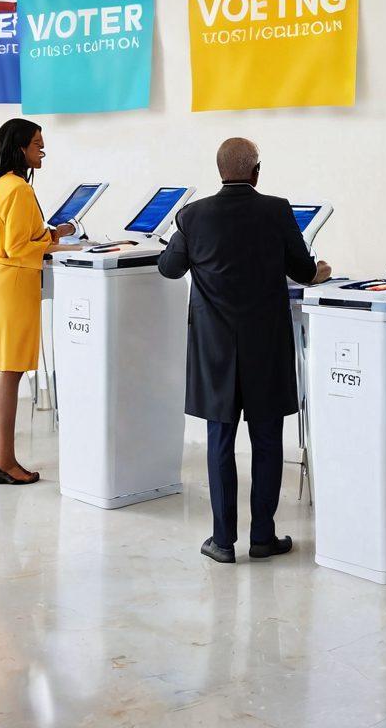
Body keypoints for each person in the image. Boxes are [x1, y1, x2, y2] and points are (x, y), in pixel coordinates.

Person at [158, 137, 332, 563]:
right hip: (266, 345)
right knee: (268, 439)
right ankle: (262, 537)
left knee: (219, 439)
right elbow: (303, 270)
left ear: (220, 171)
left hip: (214, 349)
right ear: (256, 170)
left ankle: (221, 541)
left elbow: (169, 268)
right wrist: (321, 271)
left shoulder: (192, 215)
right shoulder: (276, 209)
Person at [0, 119, 77, 486]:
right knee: (12, 370)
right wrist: (58, 246)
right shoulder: (18, 188)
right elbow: (19, 247)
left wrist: (51, 233)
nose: (42, 149)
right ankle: (6, 462)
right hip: (13, 282)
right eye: (36, 144)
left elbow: (11, 236)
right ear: (20, 148)